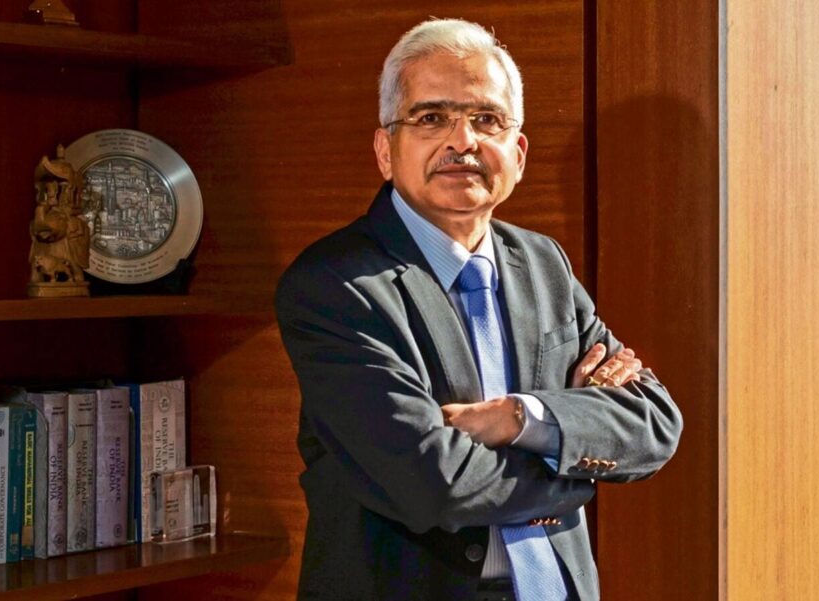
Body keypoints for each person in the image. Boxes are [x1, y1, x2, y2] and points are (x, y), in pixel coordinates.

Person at [275, 18, 682, 601]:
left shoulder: (544, 263)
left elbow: (655, 423)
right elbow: (433, 480)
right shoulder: (335, 285)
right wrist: (577, 469)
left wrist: (524, 417)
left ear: (517, 153)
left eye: (486, 120)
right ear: (385, 150)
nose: (463, 141)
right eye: (431, 118)